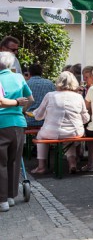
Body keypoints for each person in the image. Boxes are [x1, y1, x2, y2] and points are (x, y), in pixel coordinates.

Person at [30, 72, 90, 174]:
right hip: (74, 132)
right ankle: (72, 164)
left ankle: (41, 166)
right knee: (69, 140)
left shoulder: (50, 95)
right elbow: (85, 119)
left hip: (52, 132)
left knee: (40, 135)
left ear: (59, 82)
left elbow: (38, 116)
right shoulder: (79, 97)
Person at [0, 52, 33, 212]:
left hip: (1, 124)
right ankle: (11, 197)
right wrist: (21, 110)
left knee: (1, 163)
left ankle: (2, 201)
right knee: (14, 161)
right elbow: (30, 99)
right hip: (18, 124)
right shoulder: (19, 78)